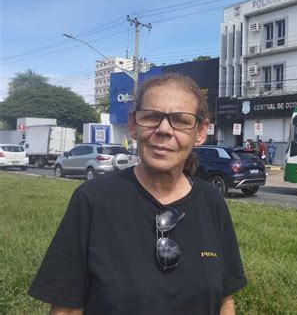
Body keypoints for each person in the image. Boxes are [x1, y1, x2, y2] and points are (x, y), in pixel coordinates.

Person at [29, 73, 247, 314]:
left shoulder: (211, 201)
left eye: (181, 120)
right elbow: (66, 310)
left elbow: (225, 302)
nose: (164, 129)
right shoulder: (92, 200)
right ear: (133, 125)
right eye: (152, 117)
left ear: (201, 131)